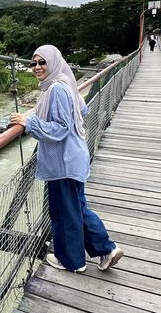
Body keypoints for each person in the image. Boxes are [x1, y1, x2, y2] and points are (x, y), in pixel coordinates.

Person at [10, 45, 123, 273]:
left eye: (42, 62)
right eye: (33, 63)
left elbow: (61, 128)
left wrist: (29, 122)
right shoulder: (66, 83)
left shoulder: (56, 89)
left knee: (63, 212)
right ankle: (106, 249)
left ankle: (71, 261)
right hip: (74, 157)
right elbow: (82, 111)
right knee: (77, 208)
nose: (37, 67)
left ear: (53, 62)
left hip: (63, 161)